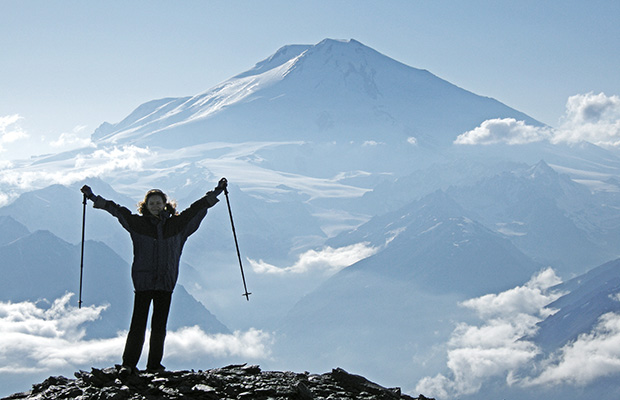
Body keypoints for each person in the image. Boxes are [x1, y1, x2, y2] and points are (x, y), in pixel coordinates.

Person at [80, 178, 227, 375]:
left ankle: (152, 366)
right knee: (138, 325)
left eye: (158, 202)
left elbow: (196, 208)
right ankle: (129, 364)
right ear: (145, 206)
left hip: (164, 282)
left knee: (159, 326)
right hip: (144, 282)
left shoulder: (177, 223)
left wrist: (216, 192)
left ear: (165, 204)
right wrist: (92, 197)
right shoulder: (137, 223)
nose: (155, 206)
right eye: (152, 203)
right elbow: (116, 210)